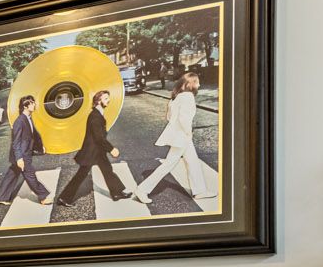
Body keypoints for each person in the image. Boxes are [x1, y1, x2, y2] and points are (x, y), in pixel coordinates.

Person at [57, 90, 150, 209]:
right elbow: (99, 138)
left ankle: (116, 192)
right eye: (106, 98)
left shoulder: (98, 113)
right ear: (98, 101)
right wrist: (111, 149)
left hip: (97, 151)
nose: (108, 100)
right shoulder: (95, 116)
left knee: (107, 170)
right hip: (92, 151)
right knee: (81, 175)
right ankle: (64, 198)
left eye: (108, 98)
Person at [137, 69, 215, 203]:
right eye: (197, 82)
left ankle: (200, 191)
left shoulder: (177, 97)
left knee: (193, 162)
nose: (199, 85)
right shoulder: (188, 97)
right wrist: (188, 132)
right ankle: (142, 190)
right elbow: (184, 119)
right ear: (190, 84)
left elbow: (169, 117)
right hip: (182, 136)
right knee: (168, 164)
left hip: (178, 135)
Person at [0, 94, 53, 209]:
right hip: (22, 154)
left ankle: (1, 197)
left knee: (12, 174)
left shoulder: (28, 118)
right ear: (25, 106)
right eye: (32, 103)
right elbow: (16, 142)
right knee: (30, 175)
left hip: (24, 152)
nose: (34, 104)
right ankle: (43, 196)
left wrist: (40, 147)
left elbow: (33, 135)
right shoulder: (19, 121)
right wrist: (19, 158)